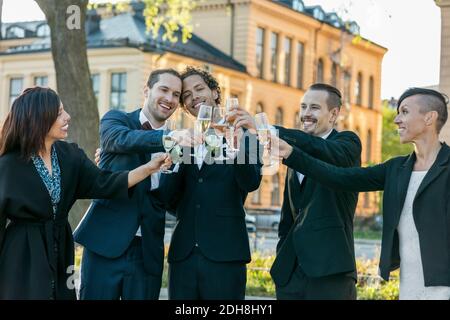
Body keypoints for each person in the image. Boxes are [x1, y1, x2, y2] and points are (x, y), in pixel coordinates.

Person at [273, 87, 450, 300]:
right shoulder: (396, 168)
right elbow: (341, 178)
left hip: (444, 278)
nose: (396, 120)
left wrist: (273, 133)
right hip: (409, 279)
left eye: (404, 112)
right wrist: (292, 154)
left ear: (429, 118)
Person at [0, 87, 170, 300]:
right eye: (59, 112)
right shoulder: (8, 166)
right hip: (22, 253)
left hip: (60, 247)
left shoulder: (69, 155)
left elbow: (105, 182)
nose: (67, 116)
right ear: (40, 118)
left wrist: (148, 168)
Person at [232, 83, 361, 299]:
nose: (306, 114)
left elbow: (320, 149)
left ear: (333, 114)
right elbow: (288, 216)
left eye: (314, 108)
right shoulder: (293, 152)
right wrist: (282, 257)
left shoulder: (347, 144)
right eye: (303, 107)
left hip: (331, 273)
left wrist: (265, 129)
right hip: (290, 276)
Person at [74, 69, 188, 300]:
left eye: (176, 94)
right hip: (104, 244)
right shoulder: (116, 119)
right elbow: (118, 140)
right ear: (147, 90)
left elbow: (169, 198)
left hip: (147, 252)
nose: (170, 99)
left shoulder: (181, 144)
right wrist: (166, 140)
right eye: (164, 89)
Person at [159, 66, 263, 300]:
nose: (193, 96)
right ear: (185, 106)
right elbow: (167, 197)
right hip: (183, 257)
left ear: (215, 92)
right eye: (186, 95)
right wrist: (173, 159)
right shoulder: (183, 140)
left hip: (226, 255)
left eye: (199, 89)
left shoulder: (247, 135)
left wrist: (234, 147)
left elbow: (251, 182)